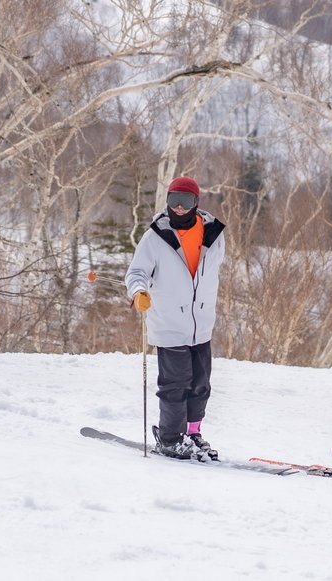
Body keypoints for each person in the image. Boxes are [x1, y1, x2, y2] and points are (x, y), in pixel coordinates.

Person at [126, 176, 227, 461]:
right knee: (175, 384)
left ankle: (192, 433)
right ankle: (170, 439)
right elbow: (136, 274)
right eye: (173, 201)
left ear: (197, 203)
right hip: (170, 323)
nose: (179, 208)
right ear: (167, 201)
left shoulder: (214, 234)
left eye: (186, 202)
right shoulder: (155, 237)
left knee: (200, 384)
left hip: (201, 324)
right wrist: (138, 292)